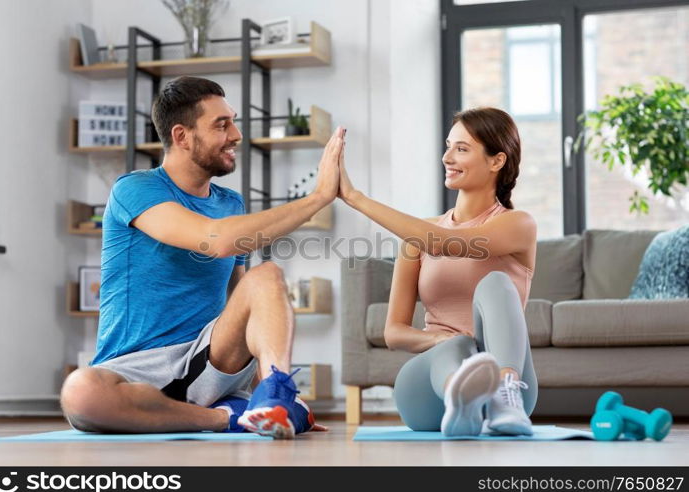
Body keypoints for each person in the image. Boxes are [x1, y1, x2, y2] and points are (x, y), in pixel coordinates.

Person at [60, 76, 344, 439]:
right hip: (133, 368)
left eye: (233, 121)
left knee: (266, 275)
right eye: (221, 125)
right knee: (81, 393)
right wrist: (318, 197)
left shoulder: (230, 203)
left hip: (208, 360)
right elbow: (215, 240)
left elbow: (248, 303)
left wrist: (275, 404)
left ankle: (275, 396)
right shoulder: (135, 189)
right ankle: (225, 418)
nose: (236, 135)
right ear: (182, 136)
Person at [338, 107, 538, 436]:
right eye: (448, 146)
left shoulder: (518, 224)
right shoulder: (419, 236)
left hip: (509, 383)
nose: (447, 157)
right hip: (429, 386)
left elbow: (448, 243)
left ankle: (504, 396)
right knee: (456, 348)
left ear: (496, 161)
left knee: (497, 284)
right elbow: (394, 332)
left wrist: (356, 198)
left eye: (461, 149)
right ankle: (462, 400)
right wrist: (440, 339)